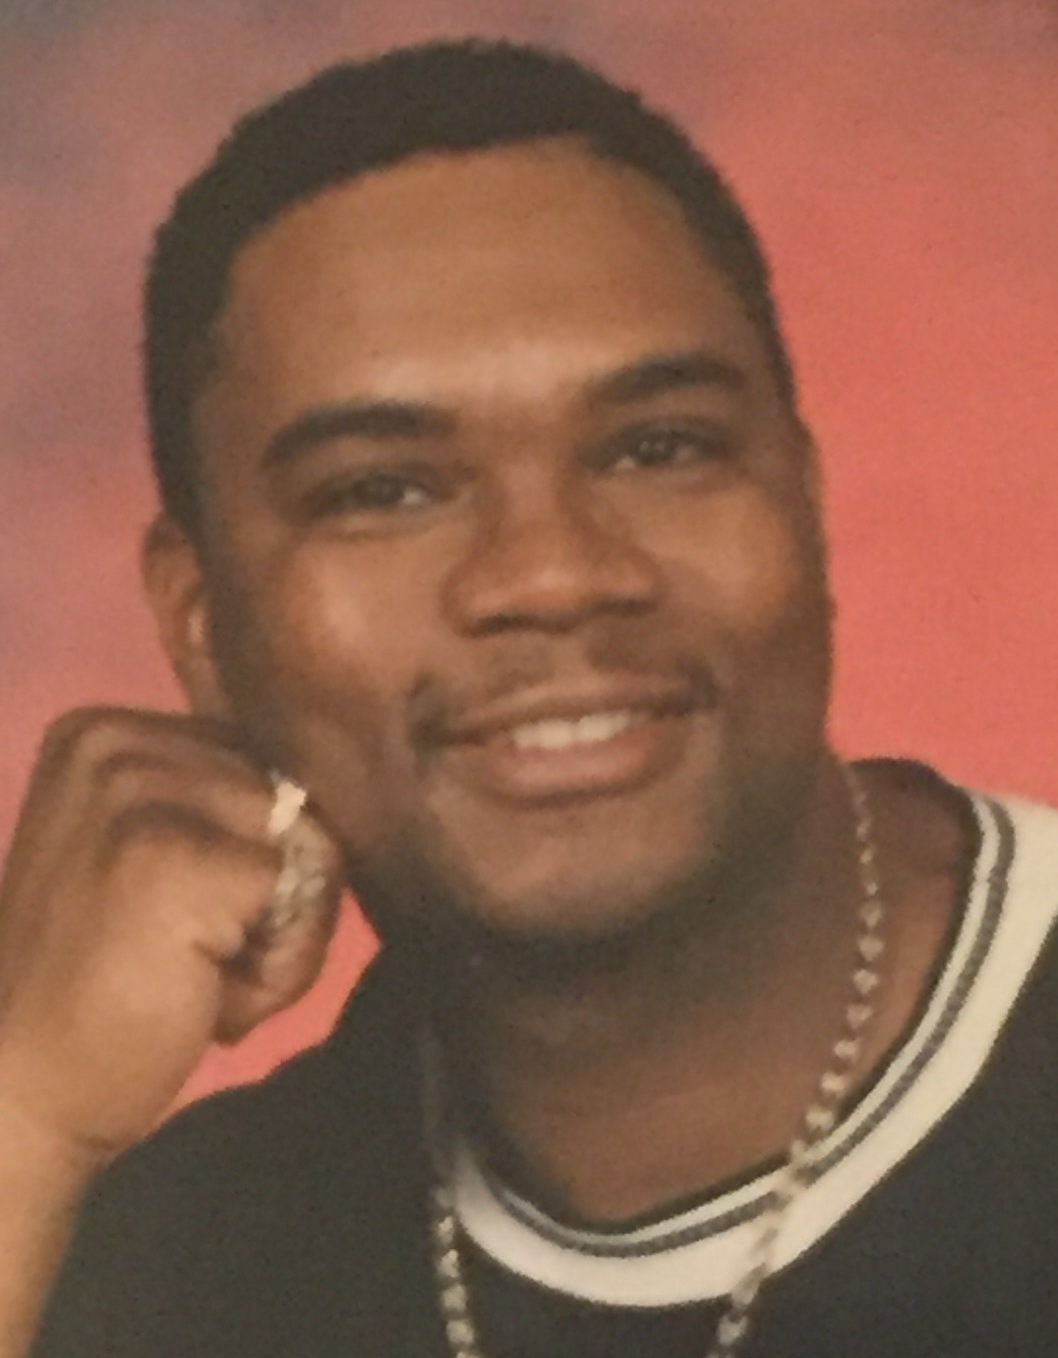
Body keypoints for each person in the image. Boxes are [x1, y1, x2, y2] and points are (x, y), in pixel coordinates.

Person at [0, 37, 1055, 1358]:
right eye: (383, 489)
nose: (553, 573)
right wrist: (22, 1114)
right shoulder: (158, 1251)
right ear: (203, 624)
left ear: (803, 498)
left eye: (656, 447)